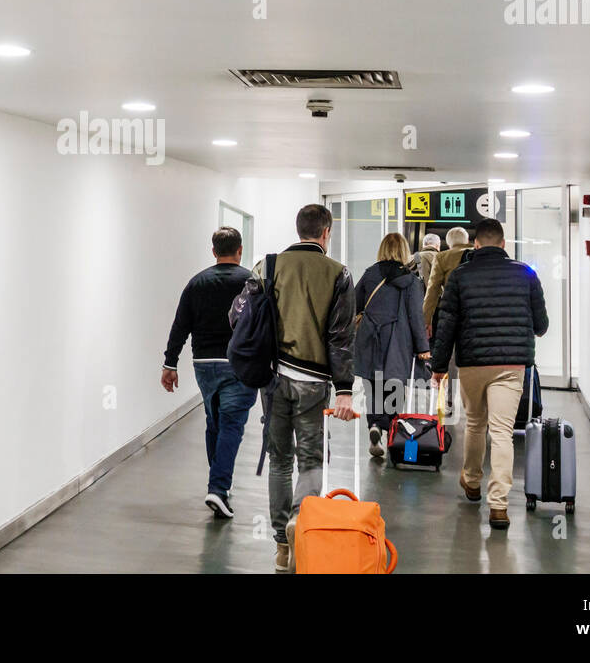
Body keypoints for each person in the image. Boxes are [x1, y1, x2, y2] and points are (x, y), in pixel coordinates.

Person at [233, 204, 355, 572]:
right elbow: (340, 338)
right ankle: (301, 520)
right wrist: (345, 388)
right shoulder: (338, 274)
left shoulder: (267, 266)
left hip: (273, 379)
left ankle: (281, 546)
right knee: (311, 459)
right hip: (313, 383)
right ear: (326, 232)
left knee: (279, 461)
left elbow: (238, 313)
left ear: (298, 229)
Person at [431, 218, 548, 529]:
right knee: (501, 432)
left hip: (472, 364)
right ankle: (499, 505)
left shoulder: (459, 276)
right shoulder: (526, 275)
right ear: (504, 244)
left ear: (476, 244)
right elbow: (542, 325)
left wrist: (439, 367)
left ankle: (471, 482)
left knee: (475, 424)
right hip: (512, 366)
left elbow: (446, 326)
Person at [161, 226, 256, 519]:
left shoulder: (196, 283)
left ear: (213, 251)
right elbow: (265, 324)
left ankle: (220, 485)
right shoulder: (251, 283)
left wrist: (170, 363)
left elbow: (181, 325)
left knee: (214, 422)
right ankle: (218, 486)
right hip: (238, 363)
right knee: (231, 425)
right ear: (240, 250)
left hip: (203, 364)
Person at [355, 233, 430, 458]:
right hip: (399, 341)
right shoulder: (411, 281)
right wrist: (423, 348)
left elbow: (354, 303)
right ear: (404, 251)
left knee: (373, 389)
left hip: (370, 338)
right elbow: (417, 317)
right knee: (394, 389)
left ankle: (375, 426)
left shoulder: (370, 274)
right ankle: (389, 433)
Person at [422, 226, 471, 335]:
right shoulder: (477, 254)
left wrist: (427, 320)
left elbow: (432, 291)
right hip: (475, 309)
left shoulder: (442, 257)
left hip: (452, 310)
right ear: (467, 241)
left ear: (448, 243)